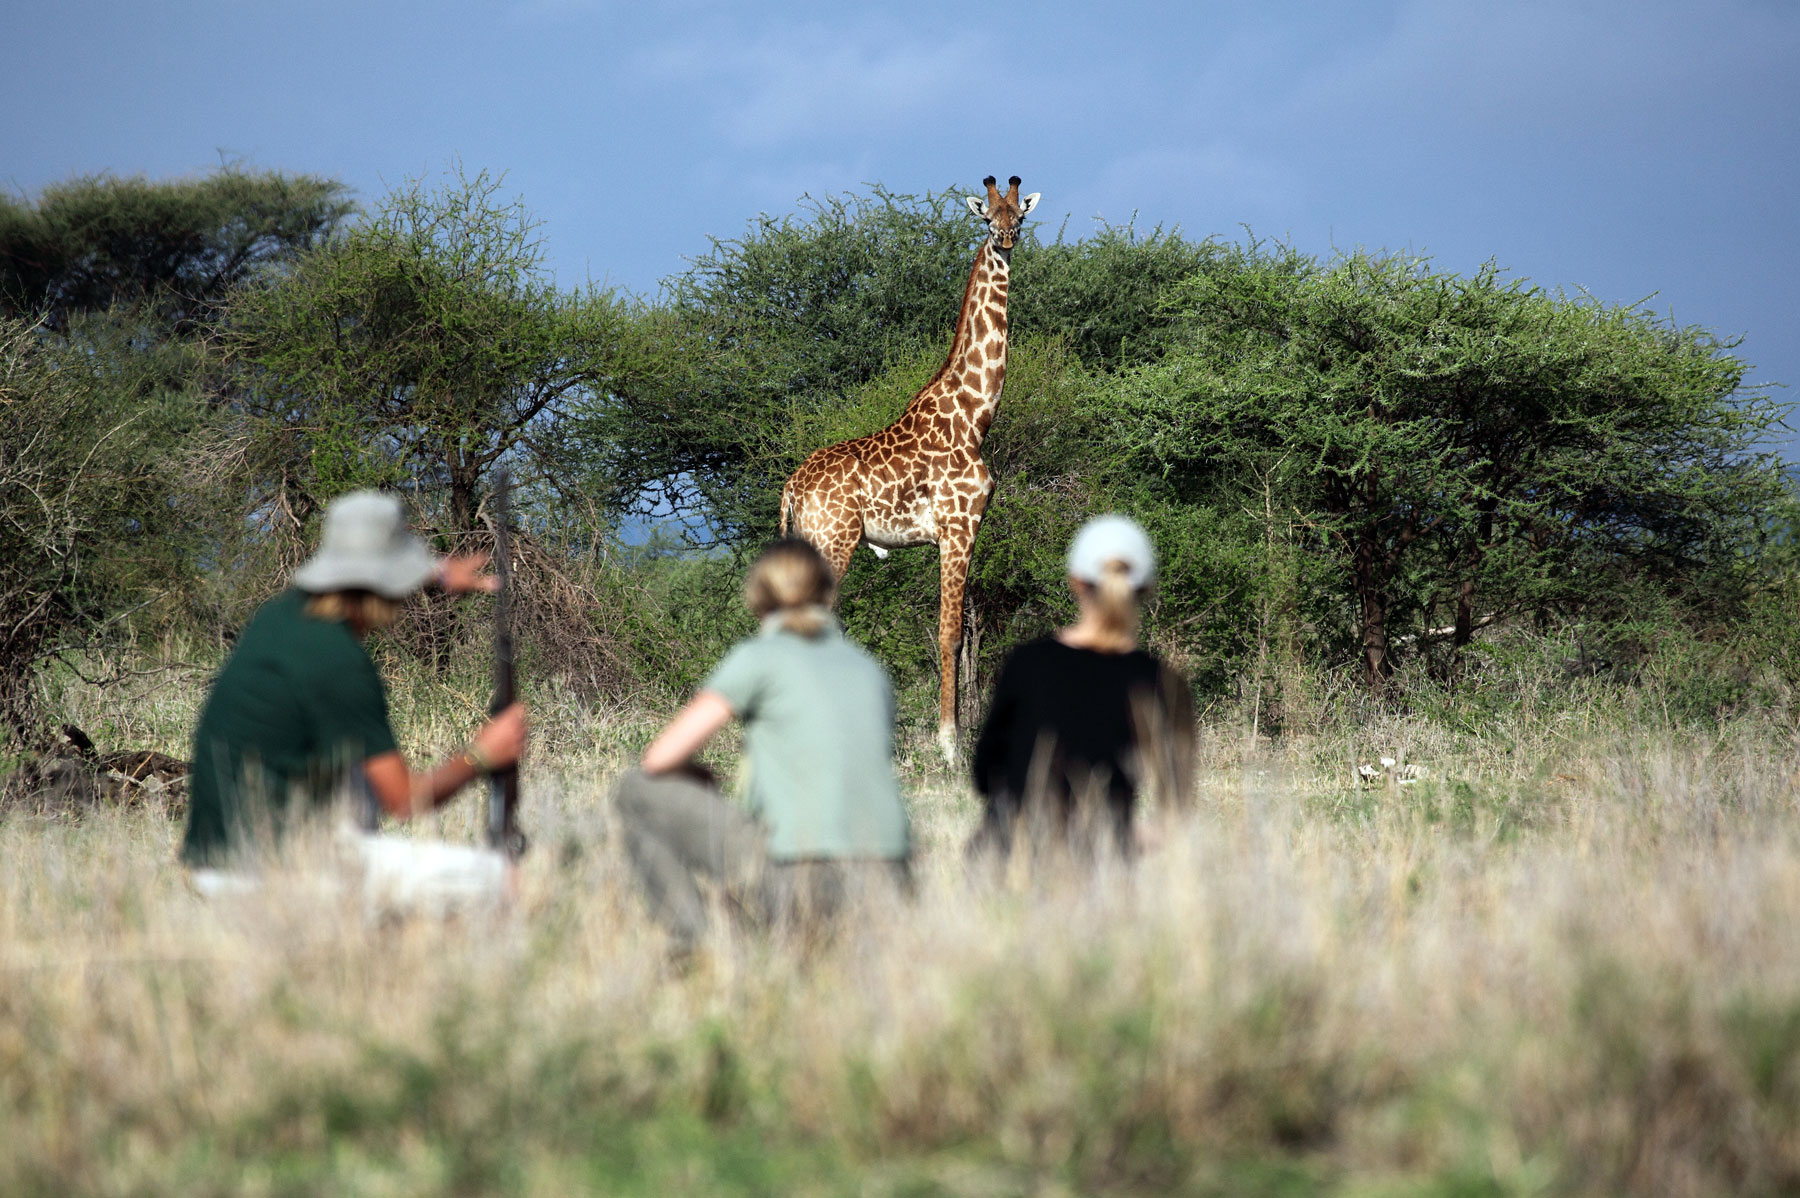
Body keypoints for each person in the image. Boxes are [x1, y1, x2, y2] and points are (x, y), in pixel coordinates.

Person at [180, 490, 528, 904]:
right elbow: (404, 800)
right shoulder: (338, 661)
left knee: (355, 775)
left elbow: (367, 577)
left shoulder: (280, 616)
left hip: (213, 863)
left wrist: (437, 573)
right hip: (269, 873)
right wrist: (482, 754)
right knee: (500, 881)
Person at [614, 538, 911, 949]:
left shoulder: (760, 656)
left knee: (637, 788)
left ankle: (697, 944)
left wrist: (699, 776)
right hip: (890, 878)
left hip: (801, 872)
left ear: (758, 595)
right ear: (828, 591)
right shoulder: (868, 666)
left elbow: (659, 758)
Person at [970, 514, 1196, 860]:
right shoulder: (1162, 681)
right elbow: (1178, 802)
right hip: (1100, 865)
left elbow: (984, 772)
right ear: (1147, 588)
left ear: (1075, 582)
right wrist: (1129, 836)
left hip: (1006, 859)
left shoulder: (1027, 663)